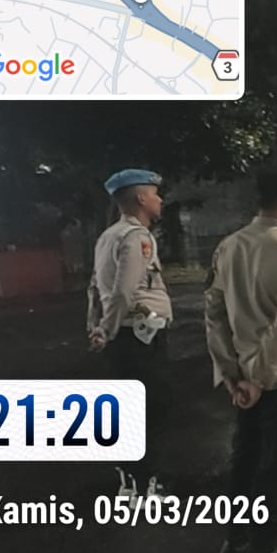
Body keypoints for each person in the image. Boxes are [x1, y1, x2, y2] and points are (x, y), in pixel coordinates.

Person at [204, 168, 277, 553]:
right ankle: (262, 548)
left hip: (242, 374)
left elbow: (214, 313)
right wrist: (260, 379)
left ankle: (235, 542)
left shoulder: (229, 246)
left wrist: (231, 374)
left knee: (246, 458)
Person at [87, 168, 174, 502]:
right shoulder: (137, 237)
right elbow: (123, 292)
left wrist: (96, 325)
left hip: (122, 336)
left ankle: (128, 482)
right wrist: (107, 330)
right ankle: (145, 486)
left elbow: (95, 288)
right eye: (155, 194)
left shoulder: (108, 236)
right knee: (151, 409)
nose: (159, 200)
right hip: (138, 337)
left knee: (127, 409)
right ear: (141, 198)